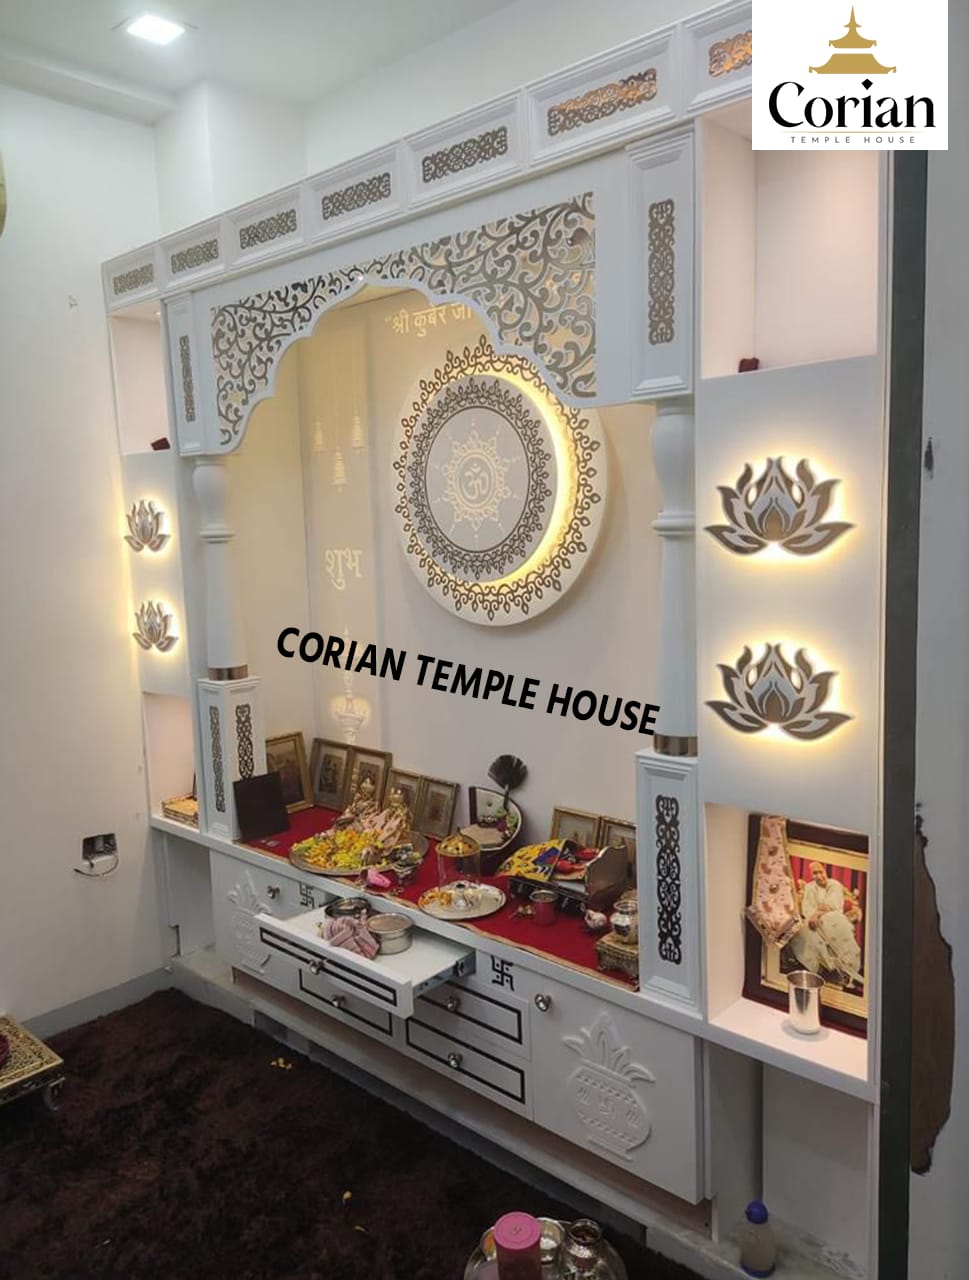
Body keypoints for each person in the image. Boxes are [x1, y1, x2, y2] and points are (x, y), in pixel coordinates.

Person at [789, 861, 862, 986]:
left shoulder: (834, 884)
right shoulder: (810, 887)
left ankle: (845, 968)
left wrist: (817, 914)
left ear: (825, 870)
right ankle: (827, 968)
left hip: (833, 917)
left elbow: (831, 905)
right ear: (811, 874)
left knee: (833, 921)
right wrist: (813, 916)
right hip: (813, 920)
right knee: (803, 933)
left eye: (820, 872)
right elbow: (808, 909)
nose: (818, 876)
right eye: (815, 873)